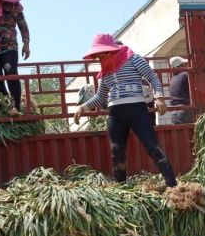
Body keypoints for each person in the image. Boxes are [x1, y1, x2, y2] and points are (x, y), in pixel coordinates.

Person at [74, 34, 177, 186]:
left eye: (101, 55)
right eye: (97, 57)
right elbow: (100, 96)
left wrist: (159, 97)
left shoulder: (134, 59)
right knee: (117, 152)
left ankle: (173, 185)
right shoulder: (105, 71)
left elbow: (153, 77)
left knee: (152, 147)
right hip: (115, 114)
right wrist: (83, 107)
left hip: (136, 109)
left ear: (110, 51)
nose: (99, 59)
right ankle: (121, 188)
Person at [167, 56, 195, 125]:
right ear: (179, 66)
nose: (186, 66)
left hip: (173, 113)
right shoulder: (185, 75)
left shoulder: (172, 79)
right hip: (184, 111)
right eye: (184, 65)